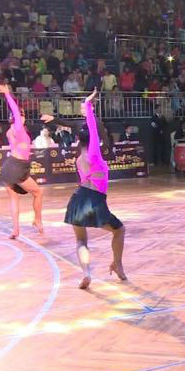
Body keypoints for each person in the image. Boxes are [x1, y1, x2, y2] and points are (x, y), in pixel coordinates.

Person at [64, 89, 127, 289]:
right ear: (93, 141)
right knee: (119, 230)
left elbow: (90, 130)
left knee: (81, 241)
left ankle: (86, 273)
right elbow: (92, 127)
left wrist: (88, 106)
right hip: (94, 200)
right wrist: (88, 105)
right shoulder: (94, 154)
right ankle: (117, 264)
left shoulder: (78, 159)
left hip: (78, 198)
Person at [0, 84, 44, 239]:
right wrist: (7, 94)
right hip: (17, 167)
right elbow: (16, 111)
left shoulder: (9, 132)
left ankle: (16, 229)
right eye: (22, 117)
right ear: (20, 118)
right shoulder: (18, 129)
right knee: (38, 192)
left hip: (9, 167)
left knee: (14, 198)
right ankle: (37, 220)